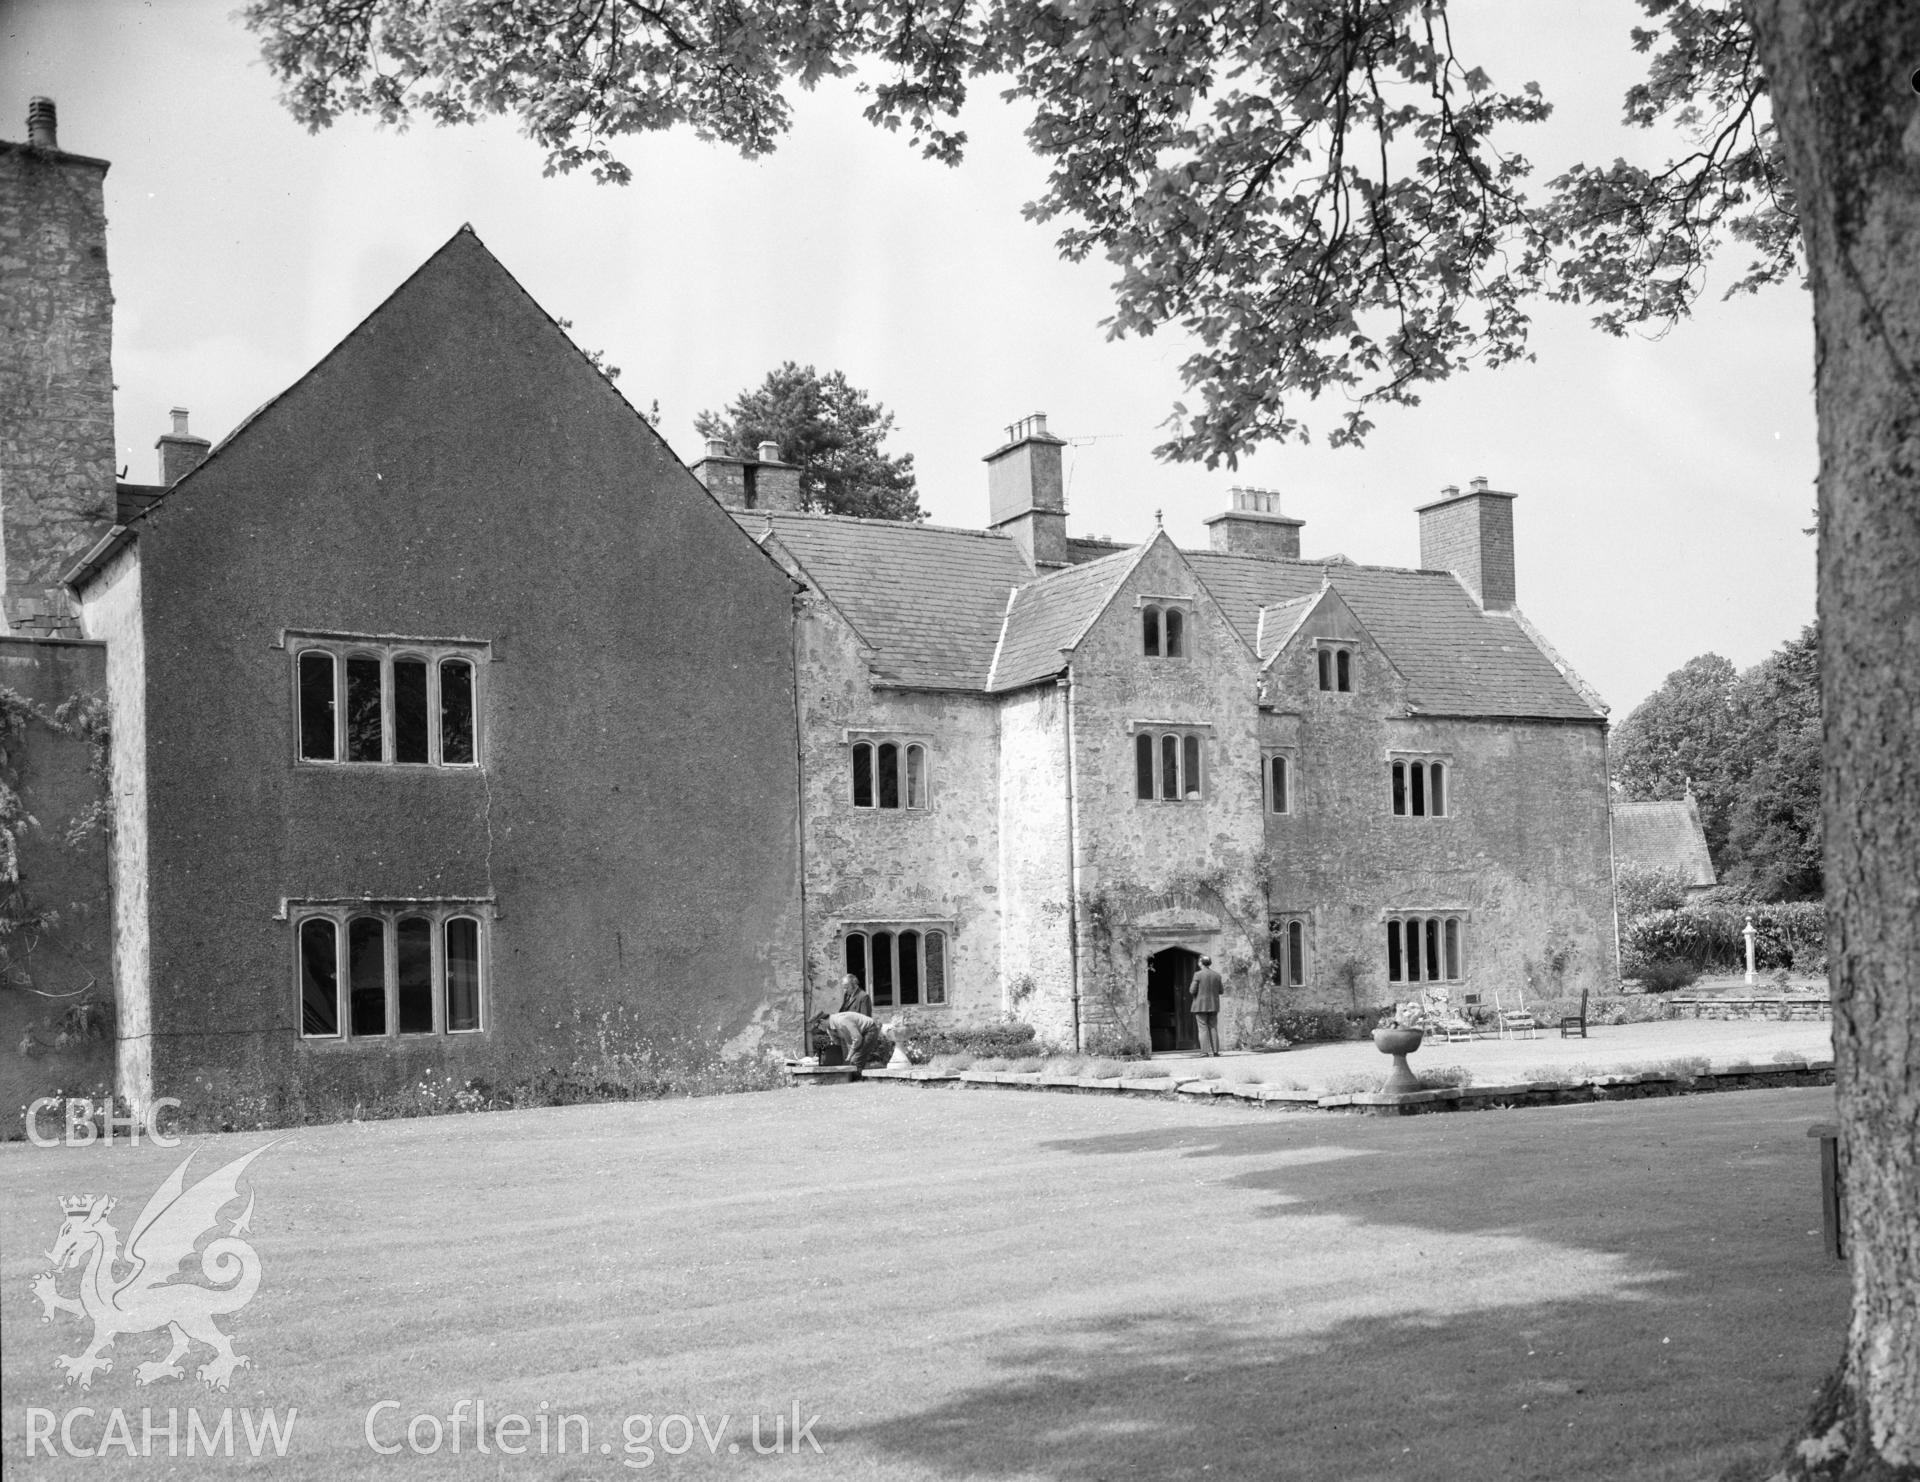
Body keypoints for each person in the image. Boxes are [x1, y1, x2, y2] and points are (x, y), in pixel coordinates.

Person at [1189, 955, 1225, 1056]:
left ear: (1201, 963)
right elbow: (1221, 991)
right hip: (1213, 1005)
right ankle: (1215, 1051)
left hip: (1200, 1006)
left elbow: (1192, 990)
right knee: (1213, 1027)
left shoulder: (1198, 974)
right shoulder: (1217, 975)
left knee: (1203, 1028)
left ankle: (1204, 1052)